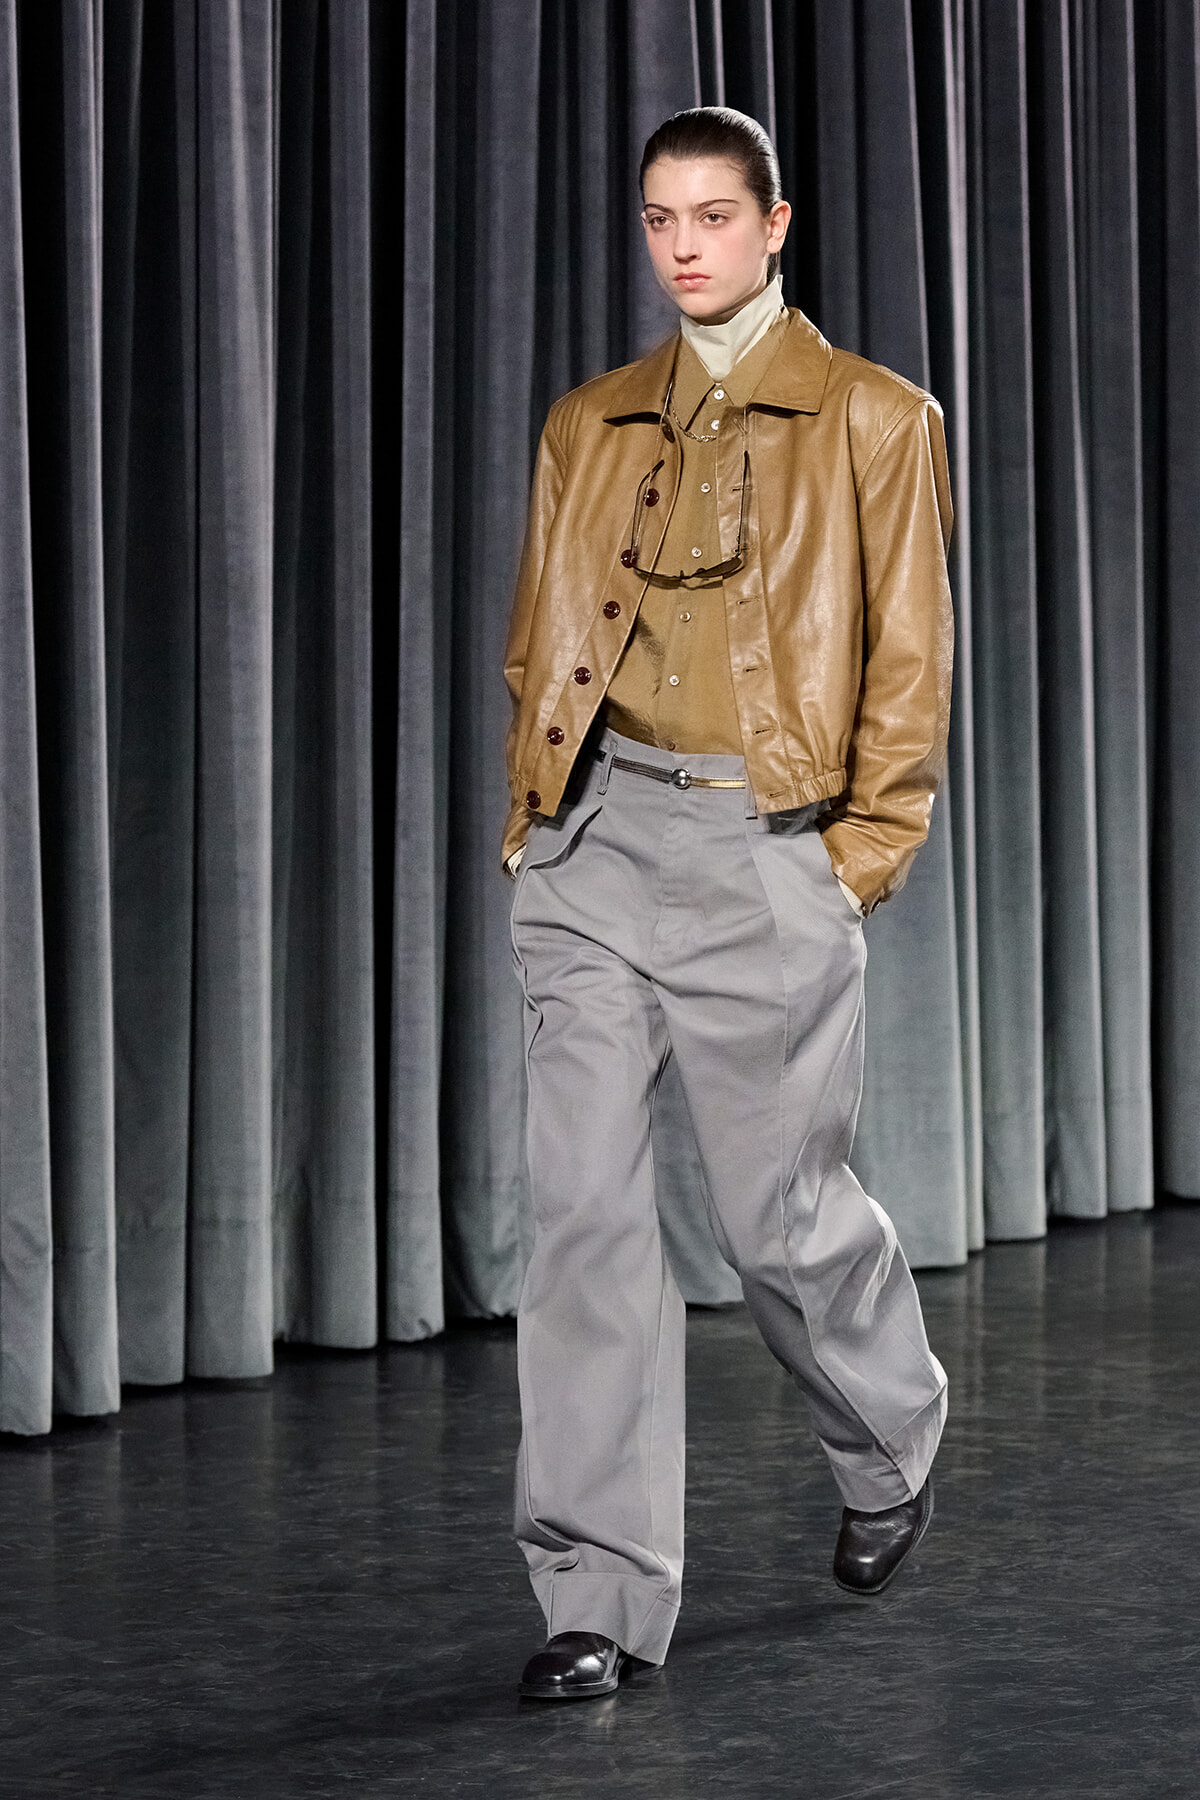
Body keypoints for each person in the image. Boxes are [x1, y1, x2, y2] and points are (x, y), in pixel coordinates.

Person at [502, 106, 954, 1702]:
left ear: (775, 225)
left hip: (764, 847)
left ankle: (888, 1432)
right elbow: (541, 633)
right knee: (580, 1220)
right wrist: (535, 822)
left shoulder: (877, 419)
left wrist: (851, 859)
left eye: (713, 215)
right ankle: (596, 1593)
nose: (683, 244)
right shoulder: (590, 421)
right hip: (594, 843)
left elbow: (909, 666)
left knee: (777, 1222)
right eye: (659, 217)